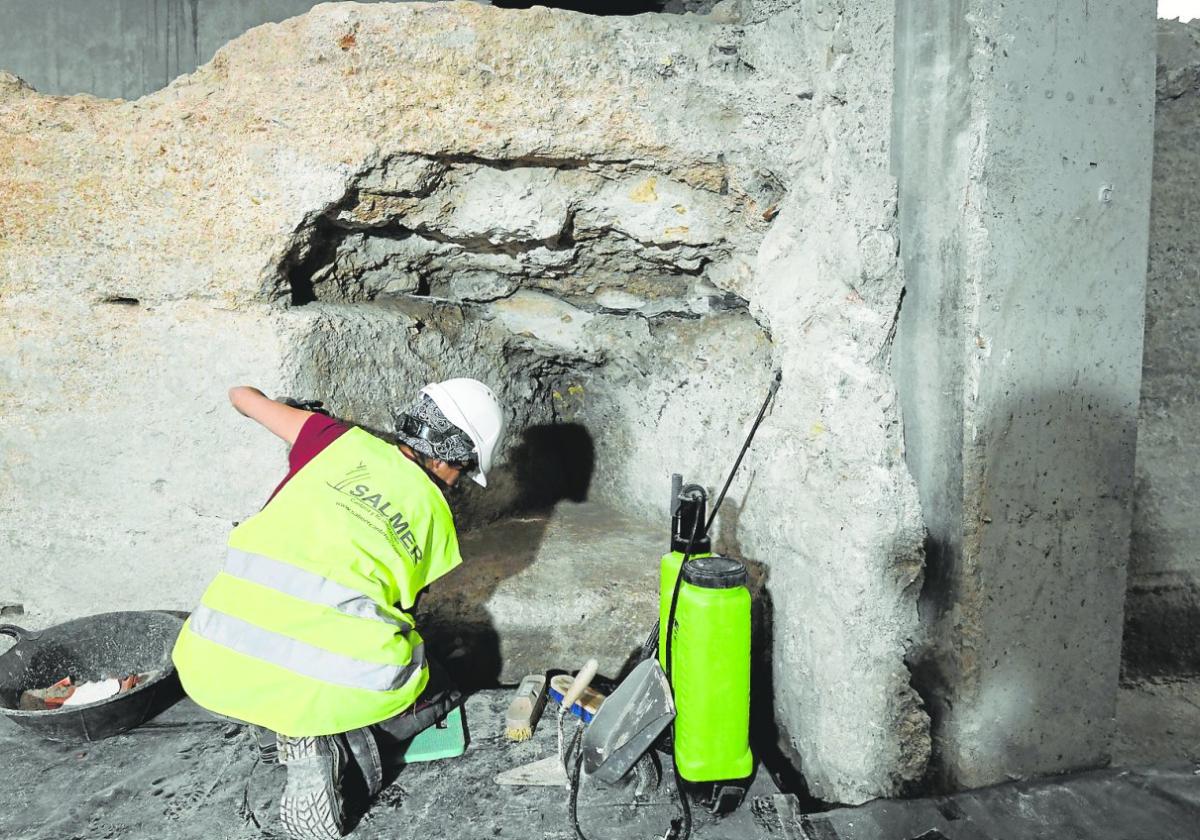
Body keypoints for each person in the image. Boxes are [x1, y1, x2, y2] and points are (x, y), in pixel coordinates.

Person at [172, 378, 506, 839]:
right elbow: (399, 610)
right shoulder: (435, 518)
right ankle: (340, 746)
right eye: (462, 470)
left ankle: (283, 727)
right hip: (327, 676)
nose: (457, 483)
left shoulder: (330, 439)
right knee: (431, 677)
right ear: (449, 456)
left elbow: (239, 396)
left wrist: (285, 410)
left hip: (212, 658)